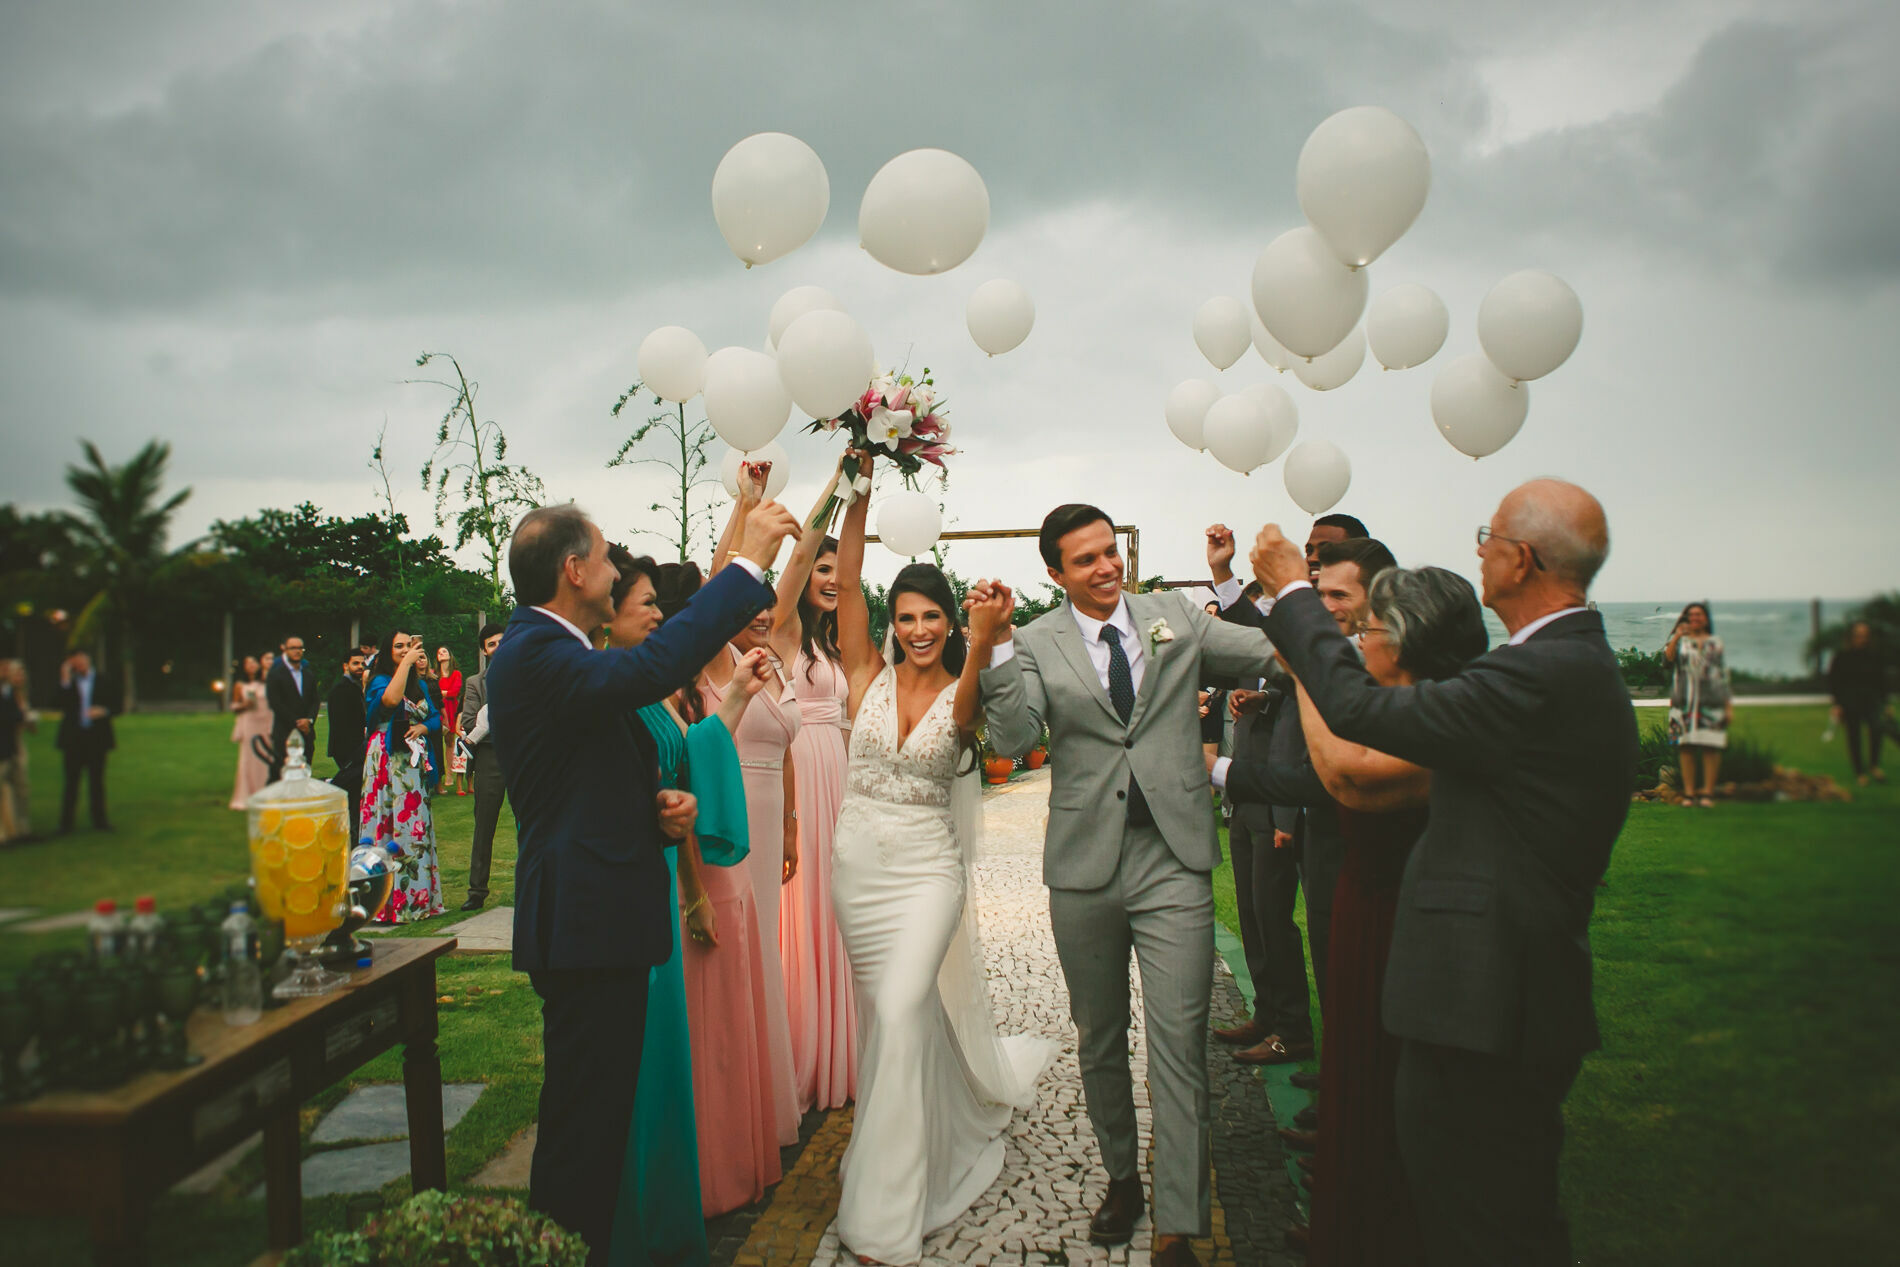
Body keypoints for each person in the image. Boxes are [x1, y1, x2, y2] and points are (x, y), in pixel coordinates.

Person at [1248, 478, 1637, 1266]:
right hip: (1490, 994)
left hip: (1488, 1003)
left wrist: (1292, 589)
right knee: (1484, 1212)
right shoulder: (1559, 662)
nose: (1479, 547)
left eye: (1488, 534)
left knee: (1482, 1224)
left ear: (1521, 559)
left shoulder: (1543, 673)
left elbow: (1361, 716)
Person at [484, 498, 795, 1264]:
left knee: (596, 1126)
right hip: (585, 927)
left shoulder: (559, 652)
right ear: (574, 570)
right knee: (582, 1136)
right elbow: (654, 667)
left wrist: (657, 808)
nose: (619, 569)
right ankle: (560, 1253)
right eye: (606, 556)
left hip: (602, 920)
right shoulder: (535, 651)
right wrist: (746, 564)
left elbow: (580, 775)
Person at [974, 504, 1275, 1267]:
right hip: (1084, 866)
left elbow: (1267, 649)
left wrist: (1324, 620)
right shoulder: (1036, 640)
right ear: (1056, 574)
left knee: (1177, 1042)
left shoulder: (1174, 615)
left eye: (1110, 552)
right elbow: (1013, 738)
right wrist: (999, 647)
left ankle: (1178, 1218)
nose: (1106, 568)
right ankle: (1120, 1177)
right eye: (1086, 561)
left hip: (1173, 856)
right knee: (1099, 1037)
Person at [830, 458, 1054, 1267]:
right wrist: (854, 482)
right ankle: (919, 1136)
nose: (918, 628)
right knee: (890, 1021)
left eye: (931, 616)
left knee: (898, 1008)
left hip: (927, 872)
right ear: (890, 620)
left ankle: (887, 1211)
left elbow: (1001, 706)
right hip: (856, 869)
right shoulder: (862, 675)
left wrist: (987, 629)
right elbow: (847, 580)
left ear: (946, 622)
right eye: (906, 616)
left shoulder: (961, 686)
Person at [1286, 567, 1488, 1267]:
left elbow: (1347, 775)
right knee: (1353, 1074)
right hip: (1359, 904)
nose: (1359, 637)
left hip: (1405, 921)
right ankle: (1344, 1225)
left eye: (1369, 627)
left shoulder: (1439, 713)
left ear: (1401, 642)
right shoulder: (1392, 699)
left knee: (1386, 1090)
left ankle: (1377, 1239)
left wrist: (1308, 677)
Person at [602, 545, 772, 1267]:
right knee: (636, 1069)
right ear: (607, 618)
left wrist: (733, 694)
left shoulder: (648, 691)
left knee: (668, 1063)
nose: (657, 615)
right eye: (645, 605)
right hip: (641, 892)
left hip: (666, 869)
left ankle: (669, 1211)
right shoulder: (611, 688)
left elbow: (682, 755)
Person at [656, 559, 788, 1217]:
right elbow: (680, 784)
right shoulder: (657, 692)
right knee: (706, 1036)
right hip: (696, 878)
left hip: (724, 869)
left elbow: (703, 756)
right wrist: (692, 893)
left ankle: (733, 1160)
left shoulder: (696, 689)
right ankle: (706, 1169)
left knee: (731, 1027)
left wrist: (734, 690)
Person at [1208, 516, 1370, 1034]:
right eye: (1310, 550)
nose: (1315, 560)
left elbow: (1324, 679)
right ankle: (1276, 1019)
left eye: (1327, 551)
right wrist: (1225, 574)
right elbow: (1262, 641)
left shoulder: (1359, 631)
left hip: (1319, 801)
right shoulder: (1309, 616)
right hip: (1271, 787)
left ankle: (1308, 1040)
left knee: (1337, 940)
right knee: (1261, 914)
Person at [706, 479, 805, 1143]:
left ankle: (766, 1096)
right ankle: (732, 1103)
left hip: (774, 818)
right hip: (733, 812)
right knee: (738, 952)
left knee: (765, 947)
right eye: (753, 607)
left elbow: (787, 748)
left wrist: (794, 820)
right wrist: (745, 506)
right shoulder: (715, 659)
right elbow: (719, 584)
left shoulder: (772, 666)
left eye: (769, 609)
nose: (764, 616)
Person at [772, 457, 863, 1112]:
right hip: (799, 772)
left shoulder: (832, 646)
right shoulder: (781, 631)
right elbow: (800, 550)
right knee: (802, 912)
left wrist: (866, 487)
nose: (831, 579)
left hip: (840, 778)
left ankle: (845, 1044)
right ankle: (803, 1048)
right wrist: (837, 486)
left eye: (839, 571)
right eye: (822, 570)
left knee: (839, 908)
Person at [361, 630, 445, 923]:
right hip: (385, 761)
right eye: (399, 646)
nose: (405, 650)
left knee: (414, 827)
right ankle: (383, 903)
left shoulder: (419, 685)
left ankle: (416, 899)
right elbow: (389, 701)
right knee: (386, 823)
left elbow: (435, 716)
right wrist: (407, 663)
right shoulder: (380, 681)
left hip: (411, 765)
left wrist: (424, 728)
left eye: (409, 645)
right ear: (388, 651)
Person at [457, 623, 508, 910]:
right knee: (484, 824)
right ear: (484, 651)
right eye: (492, 644)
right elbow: (468, 723)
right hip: (490, 756)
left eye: (503, 641)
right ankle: (477, 890)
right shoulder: (476, 683)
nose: (498, 647)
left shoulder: (526, 674)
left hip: (522, 755)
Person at [1664, 602, 1730, 808]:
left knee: (1711, 746)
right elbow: (1667, 660)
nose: (1695, 618)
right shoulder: (1680, 641)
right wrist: (1677, 635)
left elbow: (1722, 674)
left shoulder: (1715, 643)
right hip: (1683, 701)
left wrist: (1728, 706)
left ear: (1706, 618)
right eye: (1691, 615)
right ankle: (1690, 793)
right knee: (1686, 747)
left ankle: (1708, 793)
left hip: (1710, 701)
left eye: (1699, 615)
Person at [56, 649, 119, 834]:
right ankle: (66, 823)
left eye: (82, 660)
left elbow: (117, 705)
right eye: (75, 662)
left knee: (97, 781)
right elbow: (57, 703)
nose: (80, 664)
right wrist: (65, 681)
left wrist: (103, 711)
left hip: (96, 738)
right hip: (74, 739)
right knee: (71, 782)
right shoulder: (69, 684)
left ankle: (100, 820)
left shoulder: (103, 680)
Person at [1828, 620, 1891, 786]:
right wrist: (1837, 704)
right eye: (1858, 636)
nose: (1862, 639)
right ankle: (1859, 773)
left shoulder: (1874, 656)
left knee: (1877, 729)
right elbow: (1834, 682)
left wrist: (1886, 703)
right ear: (1851, 637)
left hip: (1871, 700)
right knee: (1854, 736)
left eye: (1865, 636)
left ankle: (1874, 765)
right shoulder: (1842, 657)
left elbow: (1881, 681)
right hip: (1850, 701)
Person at [266, 634, 320, 783]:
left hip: (307, 733)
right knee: (283, 776)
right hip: (285, 733)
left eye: (300, 648)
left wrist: (308, 720)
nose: (297, 651)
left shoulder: (308, 675)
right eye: (293, 648)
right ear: (284, 649)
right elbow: (275, 703)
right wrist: (297, 723)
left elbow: (315, 701)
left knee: (304, 773)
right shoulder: (276, 675)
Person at [326, 650, 369, 833]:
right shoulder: (341, 689)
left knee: (355, 793)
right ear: (346, 666)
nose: (360, 667)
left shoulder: (357, 686)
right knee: (351, 790)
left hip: (357, 747)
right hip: (347, 749)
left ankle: (354, 828)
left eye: (362, 664)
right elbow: (340, 724)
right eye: (355, 663)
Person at [228, 655, 272, 810]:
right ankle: (245, 794)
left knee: (265, 758)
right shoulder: (240, 685)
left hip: (265, 723)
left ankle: (264, 792)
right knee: (248, 760)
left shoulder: (265, 682)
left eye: (254, 662)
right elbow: (233, 706)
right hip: (249, 723)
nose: (252, 665)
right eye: (248, 663)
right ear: (244, 667)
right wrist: (244, 705)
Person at [0, 659, 33, 844]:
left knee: (21, 788)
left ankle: (22, 830)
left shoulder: (11, 693)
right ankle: (4, 834)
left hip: (14, 746)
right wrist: (21, 716)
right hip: (3, 748)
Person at [437, 647, 468, 796]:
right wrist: (444, 693)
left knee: (449, 742)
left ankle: (449, 774)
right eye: (439, 652)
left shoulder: (456, 674)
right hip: (438, 709)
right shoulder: (434, 674)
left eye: (444, 651)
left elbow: (454, 692)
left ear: (450, 655)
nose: (441, 654)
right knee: (437, 743)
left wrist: (442, 692)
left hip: (451, 709)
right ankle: (438, 777)